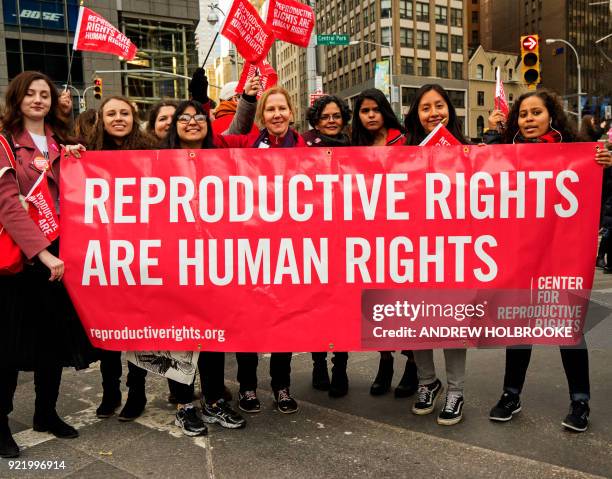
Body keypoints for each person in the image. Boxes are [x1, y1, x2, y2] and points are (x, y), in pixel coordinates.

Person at [485, 89, 612, 432]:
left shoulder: (577, 155)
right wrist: (493, 136)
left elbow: (599, 196)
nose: (528, 119)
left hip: (561, 255)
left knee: (569, 329)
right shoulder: (506, 153)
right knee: (518, 327)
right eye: (522, 114)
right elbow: (478, 179)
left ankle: (580, 401)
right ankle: (511, 394)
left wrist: (605, 167)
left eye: (535, 112)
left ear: (551, 117)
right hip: (521, 255)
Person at [0, 71, 95, 458]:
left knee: (52, 341)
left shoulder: (63, 144)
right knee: (7, 347)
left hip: (62, 252)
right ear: (17, 99)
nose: (39, 100)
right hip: (24, 259)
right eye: (31, 94)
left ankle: (46, 412)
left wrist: (75, 158)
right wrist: (42, 252)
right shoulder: (5, 144)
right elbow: (7, 205)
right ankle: (0, 422)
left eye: (46, 94)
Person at [160, 99, 255, 434]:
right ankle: (184, 406)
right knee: (180, 338)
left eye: (199, 117)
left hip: (215, 262)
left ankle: (214, 401)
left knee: (213, 335)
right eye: (184, 118)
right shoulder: (156, 162)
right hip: (175, 262)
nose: (192, 122)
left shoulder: (222, 160)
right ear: (174, 127)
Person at [217, 86, 305, 414]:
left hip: (290, 251)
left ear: (291, 113)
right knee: (248, 322)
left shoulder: (308, 148)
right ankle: (249, 387)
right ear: (262, 116)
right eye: (271, 110)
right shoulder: (247, 143)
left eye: (282, 109)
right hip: (250, 249)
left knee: (283, 322)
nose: (277, 115)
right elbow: (215, 142)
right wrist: (248, 101)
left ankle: (281, 386)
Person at [403, 84, 470, 426]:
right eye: (426, 107)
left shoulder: (471, 149)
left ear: (450, 109)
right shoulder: (401, 151)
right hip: (413, 251)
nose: (433, 113)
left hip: (454, 250)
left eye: (439, 105)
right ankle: (428, 383)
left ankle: (456, 391)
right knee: (416, 320)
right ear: (416, 114)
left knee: (452, 320)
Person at [350, 88, 417, 398]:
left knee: (406, 304)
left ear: (385, 111)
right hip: (370, 238)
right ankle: (386, 361)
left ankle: (414, 365)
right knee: (378, 305)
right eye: (365, 110)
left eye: (376, 109)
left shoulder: (404, 141)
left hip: (405, 235)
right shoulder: (351, 147)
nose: (371, 115)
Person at [302, 95, 351, 397]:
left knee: (341, 310)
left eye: (336, 115)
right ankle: (318, 363)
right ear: (316, 120)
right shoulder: (302, 147)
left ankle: (340, 366)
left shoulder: (354, 146)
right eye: (325, 116)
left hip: (345, 242)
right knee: (316, 308)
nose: (331, 121)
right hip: (312, 239)